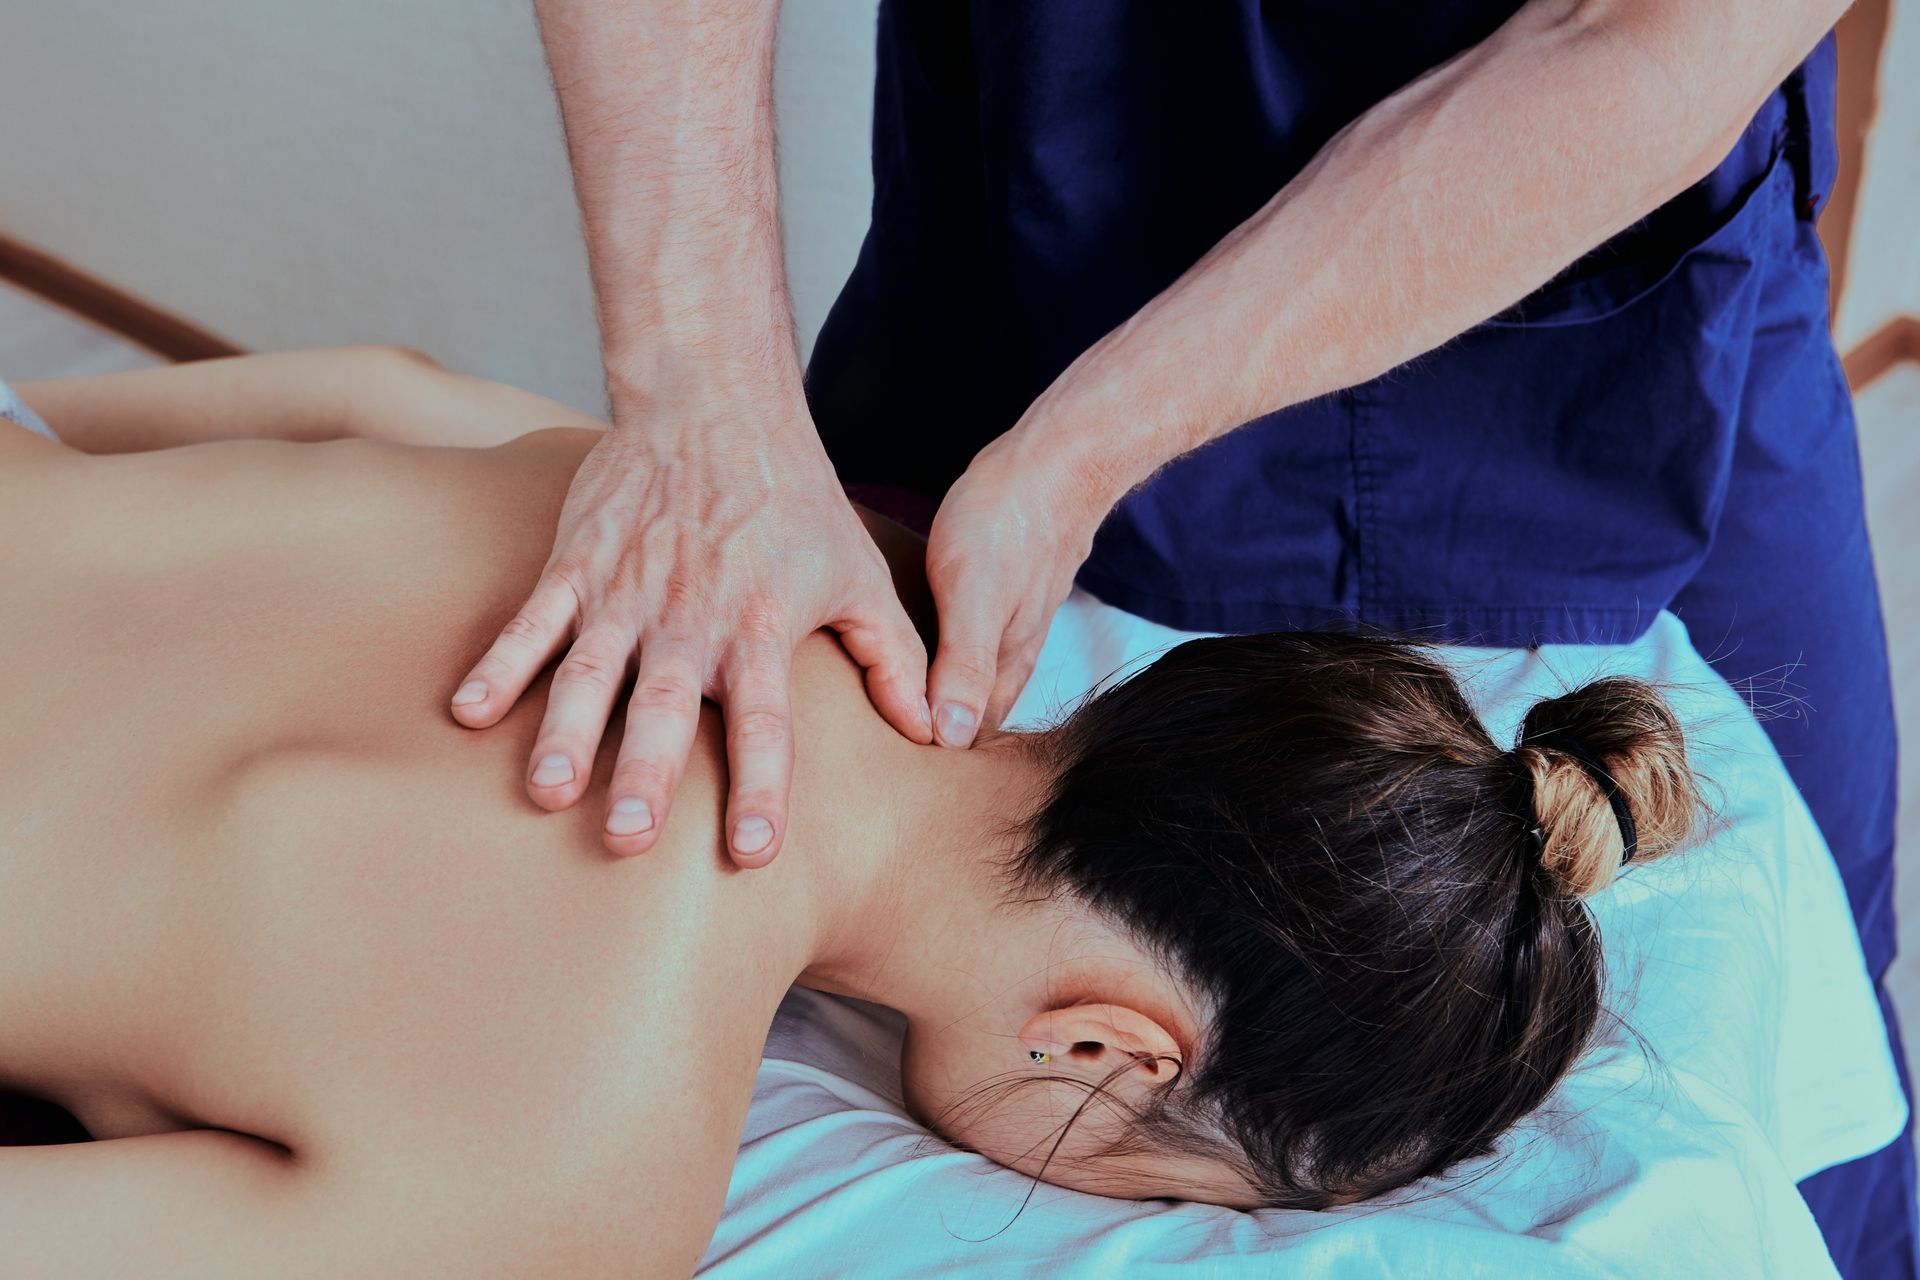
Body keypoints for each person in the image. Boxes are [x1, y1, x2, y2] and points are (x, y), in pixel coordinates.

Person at [513, 5, 1905, 1273]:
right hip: (1059, 186)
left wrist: (1079, 449)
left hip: (1615, 285)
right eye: (1172, 1204)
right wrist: (704, 399)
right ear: (1104, 1050)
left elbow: (1658, 34)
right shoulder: (591, 1085)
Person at [2, 354, 1697, 1272]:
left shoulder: (778, 542)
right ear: (1111, 1051)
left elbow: (372, 390)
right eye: (1184, 1200)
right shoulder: (579, 1181)